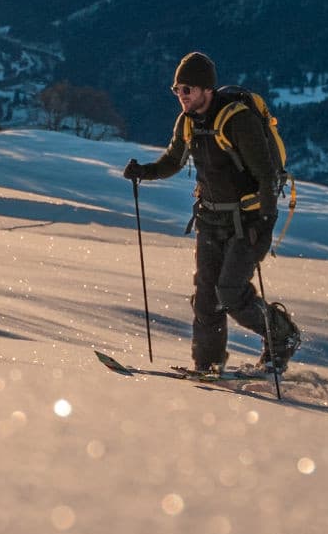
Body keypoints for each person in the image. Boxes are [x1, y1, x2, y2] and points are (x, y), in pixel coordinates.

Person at [124, 51, 300, 375]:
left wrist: (264, 220)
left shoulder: (238, 120)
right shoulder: (187, 122)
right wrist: (144, 172)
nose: (181, 97)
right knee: (207, 297)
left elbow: (265, 174)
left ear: (206, 89)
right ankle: (207, 363)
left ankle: (282, 336)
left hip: (248, 221)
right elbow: (173, 161)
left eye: (187, 90)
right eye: (177, 90)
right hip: (210, 220)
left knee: (230, 292)